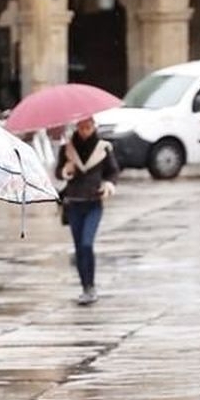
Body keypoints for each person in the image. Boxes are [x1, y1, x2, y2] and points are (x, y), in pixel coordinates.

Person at [55, 116, 119, 306]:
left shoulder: (103, 148)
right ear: (77, 127)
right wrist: (66, 169)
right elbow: (58, 172)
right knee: (78, 248)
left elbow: (113, 171)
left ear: (93, 127)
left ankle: (91, 286)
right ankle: (85, 287)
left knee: (86, 244)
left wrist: (108, 184)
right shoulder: (67, 149)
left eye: (88, 127)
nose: (85, 131)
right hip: (74, 203)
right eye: (81, 127)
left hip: (93, 203)